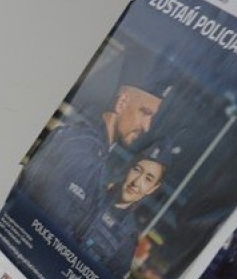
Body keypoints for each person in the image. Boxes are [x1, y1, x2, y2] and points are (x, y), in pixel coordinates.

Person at [19, 56, 172, 225]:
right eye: (145, 113)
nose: (147, 126)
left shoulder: (93, 150)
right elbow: (41, 222)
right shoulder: (83, 150)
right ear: (122, 103)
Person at [74, 140, 175, 279]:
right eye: (137, 170)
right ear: (129, 167)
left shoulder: (128, 237)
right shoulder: (88, 192)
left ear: (152, 188)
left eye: (148, 179)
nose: (136, 182)